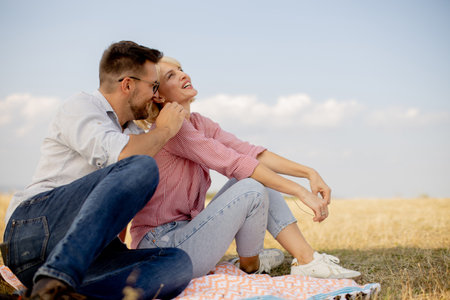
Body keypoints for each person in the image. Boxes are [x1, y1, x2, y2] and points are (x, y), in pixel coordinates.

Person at [130, 56, 361, 279]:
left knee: (256, 178)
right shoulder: (173, 129)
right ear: (158, 95)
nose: (183, 75)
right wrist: (299, 192)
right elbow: (235, 163)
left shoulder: (199, 122)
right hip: (161, 248)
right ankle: (259, 265)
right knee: (251, 185)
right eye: (172, 74)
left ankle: (303, 260)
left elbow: (251, 153)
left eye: (180, 69)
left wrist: (310, 173)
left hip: (188, 233)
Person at [2, 42, 193, 300]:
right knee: (141, 164)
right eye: (153, 86)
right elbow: (122, 156)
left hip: (91, 252)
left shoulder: (137, 135)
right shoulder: (81, 106)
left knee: (177, 263)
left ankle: (59, 294)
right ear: (127, 85)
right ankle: (56, 278)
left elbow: (120, 200)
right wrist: (165, 130)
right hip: (34, 230)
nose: (154, 94)